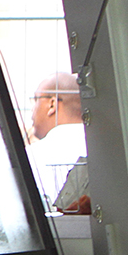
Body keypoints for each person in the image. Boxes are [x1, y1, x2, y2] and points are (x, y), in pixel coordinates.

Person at [27, 71, 85, 203]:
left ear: (52, 104)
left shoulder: (30, 157)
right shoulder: (108, 149)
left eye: (36, 100)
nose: (32, 109)